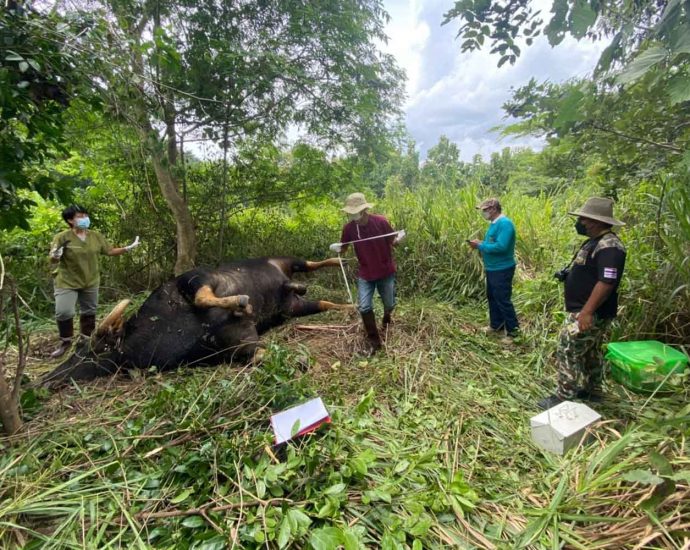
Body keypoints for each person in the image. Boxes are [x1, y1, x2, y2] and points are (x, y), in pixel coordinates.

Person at [538, 197, 626, 410]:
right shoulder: (595, 242)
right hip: (584, 310)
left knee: (567, 347)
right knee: (589, 351)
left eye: (584, 219)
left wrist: (586, 312)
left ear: (596, 221)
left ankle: (563, 396)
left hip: (588, 313)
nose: (581, 223)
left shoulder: (610, 246)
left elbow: (606, 282)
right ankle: (592, 390)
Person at [48, 205, 141, 358]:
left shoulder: (95, 236)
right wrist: (56, 255)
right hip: (67, 282)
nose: (84, 219)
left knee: (89, 312)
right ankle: (65, 342)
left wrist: (128, 248)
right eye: (80, 216)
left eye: (85, 215)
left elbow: (109, 251)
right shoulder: (62, 237)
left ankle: (86, 341)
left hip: (90, 280)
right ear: (70, 220)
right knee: (64, 312)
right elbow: (52, 258)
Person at [329, 193, 404, 355]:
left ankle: (386, 316)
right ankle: (374, 341)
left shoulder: (381, 222)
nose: (353, 216)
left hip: (385, 270)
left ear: (364, 211)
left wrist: (399, 239)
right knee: (364, 307)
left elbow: (393, 242)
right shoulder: (349, 228)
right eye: (351, 213)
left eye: (355, 212)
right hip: (365, 272)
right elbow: (344, 247)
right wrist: (337, 248)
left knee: (389, 304)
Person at [469, 198, 519, 341]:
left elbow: (501, 247)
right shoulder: (494, 224)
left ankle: (513, 332)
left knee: (503, 299)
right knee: (492, 297)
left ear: (493, 209)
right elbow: (493, 243)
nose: (483, 213)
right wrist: (482, 243)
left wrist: (480, 246)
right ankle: (496, 325)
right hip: (492, 268)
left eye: (485, 210)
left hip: (502, 268)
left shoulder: (505, 224)